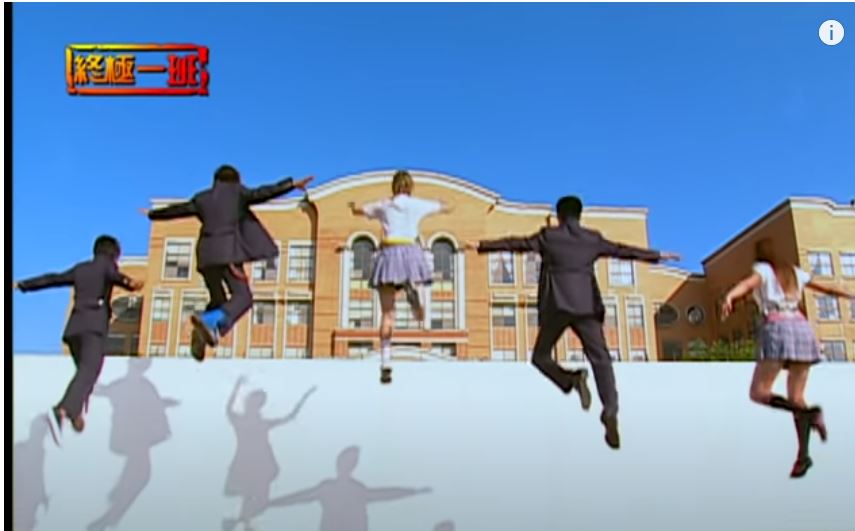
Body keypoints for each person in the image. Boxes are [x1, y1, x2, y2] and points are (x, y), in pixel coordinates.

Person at [467, 195, 679, 449]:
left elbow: (516, 244)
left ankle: (572, 379)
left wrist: (481, 245)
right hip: (586, 305)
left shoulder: (549, 236)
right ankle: (610, 409)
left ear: (559, 216)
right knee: (601, 359)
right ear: (580, 215)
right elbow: (622, 250)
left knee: (540, 357)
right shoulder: (592, 239)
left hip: (557, 305)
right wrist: (656, 255)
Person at [144, 165, 313, 361]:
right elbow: (263, 193)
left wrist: (153, 214)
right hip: (228, 256)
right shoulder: (237, 193)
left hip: (205, 258)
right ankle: (209, 322)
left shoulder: (202, 198)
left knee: (219, 301)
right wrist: (291, 185)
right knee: (243, 297)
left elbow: (179, 210)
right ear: (236, 180)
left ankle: (202, 333)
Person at [721, 237, 850, 478]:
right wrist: (848, 295)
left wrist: (730, 296)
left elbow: (748, 284)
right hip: (802, 328)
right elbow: (827, 289)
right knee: (797, 397)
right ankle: (803, 457)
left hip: (778, 328)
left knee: (759, 392)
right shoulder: (795, 272)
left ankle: (811, 415)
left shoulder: (763, 269)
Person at [13, 235, 144, 444]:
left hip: (74, 330)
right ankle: (63, 410)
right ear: (113, 254)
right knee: (90, 370)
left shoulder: (81, 269)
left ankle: (75, 413)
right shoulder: (106, 266)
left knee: (85, 373)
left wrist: (23, 285)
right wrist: (130, 283)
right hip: (93, 329)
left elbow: (53, 279)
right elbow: (116, 276)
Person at [348, 170, 453, 384]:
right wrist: (445, 204)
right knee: (419, 313)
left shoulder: (384, 205)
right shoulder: (416, 204)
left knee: (387, 314)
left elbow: (359, 210)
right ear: (410, 187)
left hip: (388, 254)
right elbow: (445, 207)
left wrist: (353, 207)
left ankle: (385, 363)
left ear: (393, 186)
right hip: (410, 253)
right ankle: (413, 295)